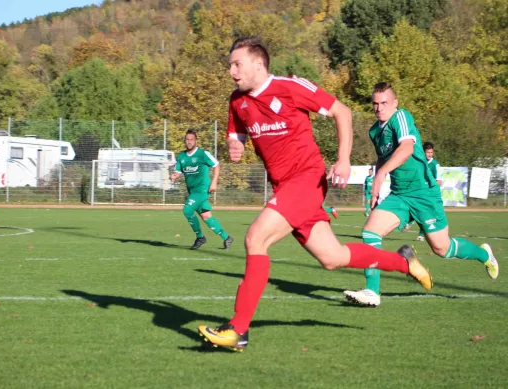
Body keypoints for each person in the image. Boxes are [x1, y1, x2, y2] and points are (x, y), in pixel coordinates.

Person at [197, 37, 433, 352]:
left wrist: (344, 159)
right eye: (230, 65)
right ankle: (404, 262)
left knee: (255, 238)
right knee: (332, 258)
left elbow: (342, 112)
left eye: (237, 64)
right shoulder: (236, 101)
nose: (231, 71)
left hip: (306, 180)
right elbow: (235, 133)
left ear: (258, 63)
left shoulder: (290, 87)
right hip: (285, 186)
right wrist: (235, 145)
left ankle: (238, 329)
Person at [343, 82, 499, 307]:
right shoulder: (375, 131)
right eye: (375, 104)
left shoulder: (401, 117)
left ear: (394, 103)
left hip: (424, 194)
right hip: (400, 194)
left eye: (384, 103)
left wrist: (380, 176)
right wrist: (379, 183)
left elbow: (406, 148)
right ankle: (372, 291)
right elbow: (382, 158)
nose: (379, 108)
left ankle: (484, 255)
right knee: (370, 232)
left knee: (441, 248)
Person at [170, 130, 233, 250]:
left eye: (191, 139)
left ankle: (200, 237)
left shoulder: (203, 154)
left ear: (196, 141)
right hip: (192, 191)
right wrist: (174, 176)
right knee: (206, 216)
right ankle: (227, 238)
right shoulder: (182, 156)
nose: (189, 142)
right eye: (187, 139)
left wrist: (214, 182)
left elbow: (216, 165)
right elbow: (178, 171)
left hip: (203, 190)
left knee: (187, 210)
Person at [402, 142, 442, 241]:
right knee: (419, 210)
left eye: (431, 152)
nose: (430, 154)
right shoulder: (419, 162)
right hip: (418, 191)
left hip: (429, 193)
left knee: (426, 214)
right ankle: (410, 222)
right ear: (423, 152)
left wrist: (432, 190)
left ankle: (420, 233)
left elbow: (439, 181)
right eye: (428, 152)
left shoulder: (435, 165)